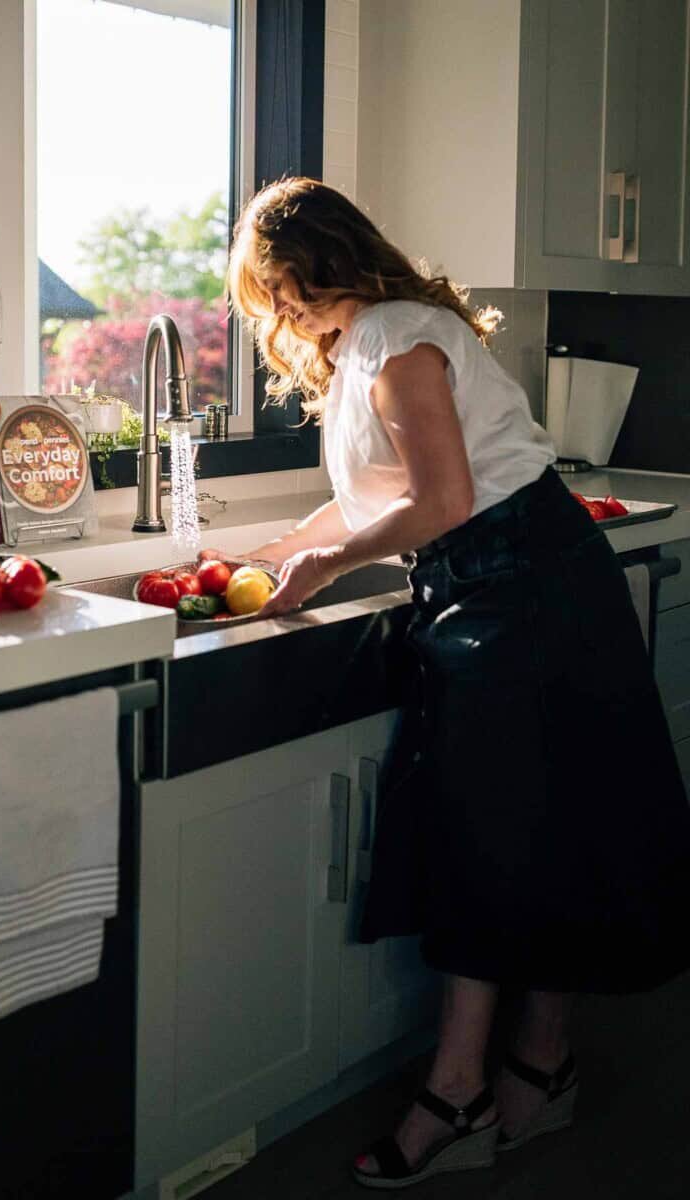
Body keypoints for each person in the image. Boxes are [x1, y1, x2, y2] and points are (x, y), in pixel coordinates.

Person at [203, 176, 690, 1190]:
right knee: (534, 830)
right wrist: (281, 548)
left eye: (287, 291)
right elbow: (378, 497)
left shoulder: (390, 333)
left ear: (331, 264)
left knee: (506, 834)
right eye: (271, 302)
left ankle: (460, 1090)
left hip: (522, 587)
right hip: (511, 583)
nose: (283, 315)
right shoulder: (371, 343)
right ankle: (532, 1068)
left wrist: (327, 568)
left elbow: (445, 497)